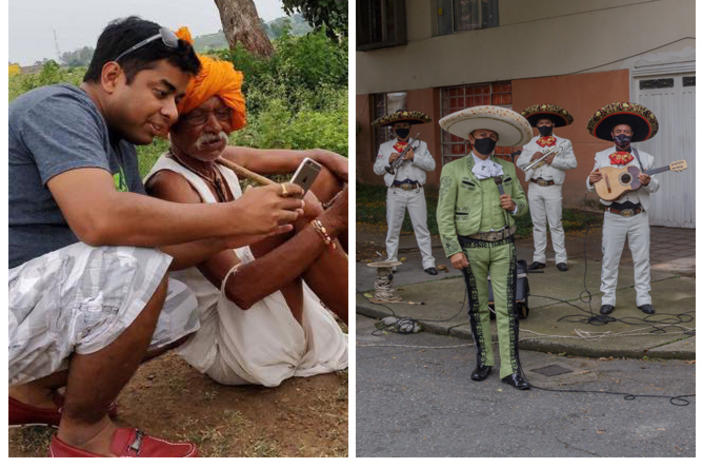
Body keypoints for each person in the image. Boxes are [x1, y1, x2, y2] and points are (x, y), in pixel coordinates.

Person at [8, 17, 304, 457]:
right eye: (161, 92)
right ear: (112, 76)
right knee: (135, 265)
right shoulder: (58, 109)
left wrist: (250, 227)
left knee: (176, 304)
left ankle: (29, 394)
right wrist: (231, 214)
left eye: (177, 99)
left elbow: (163, 251)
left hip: (26, 303)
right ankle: (85, 437)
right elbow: (99, 219)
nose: (170, 112)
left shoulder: (118, 143)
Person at [144, 28, 348, 387]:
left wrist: (340, 163)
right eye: (197, 117)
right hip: (234, 334)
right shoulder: (170, 184)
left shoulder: (219, 158)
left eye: (222, 114)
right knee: (300, 211)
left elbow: (311, 158)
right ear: (174, 121)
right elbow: (238, 289)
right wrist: (331, 220)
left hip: (256, 303)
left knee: (314, 190)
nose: (214, 129)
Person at [436, 105, 532, 390]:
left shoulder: (506, 168)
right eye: (481, 135)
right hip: (471, 246)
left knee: (507, 308)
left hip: (503, 244)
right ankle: (484, 360)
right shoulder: (453, 170)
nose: (486, 139)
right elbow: (444, 214)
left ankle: (511, 369)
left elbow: (523, 205)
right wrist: (453, 249)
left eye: (491, 136)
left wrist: (513, 206)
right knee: (478, 307)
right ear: (471, 138)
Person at [586, 102, 660, 316]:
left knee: (642, 258)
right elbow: (593, 182)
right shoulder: (601, 157)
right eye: (618, 131)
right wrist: (590, 180)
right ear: (612, 134)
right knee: (610, 258)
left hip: (638, 215)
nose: (622, 135)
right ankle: (608, 298)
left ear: (632, 135)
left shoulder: (645, 158)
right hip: (614, 215)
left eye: (626, 132)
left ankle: (644, 297)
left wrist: (647, 182)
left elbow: (655, 186)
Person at [372, 110, 438, 275]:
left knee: (421, 227)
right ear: (394, 128)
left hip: (416, 191)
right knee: (393, 229)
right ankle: (391, 261)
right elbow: (377, 169)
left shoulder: (421, 145)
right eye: (399, 126)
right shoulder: (385, 147)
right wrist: (388, 161)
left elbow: (432, 165)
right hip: (396, 191)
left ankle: (428, 262)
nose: (403, 129)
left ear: (410, 127)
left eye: (406, 126)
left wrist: (414, 157)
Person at [517, 104, 577, 272]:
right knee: (537, 224)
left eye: (547, 123)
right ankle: (539, 258)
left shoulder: (564, 143)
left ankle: (561, 258)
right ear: (537, 126)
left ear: (553, 125)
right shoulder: (530, 143)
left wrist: (554, 161)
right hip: (535, 186)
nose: (544, 126)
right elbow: (520, 163)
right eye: (541, 123)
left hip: (552, 187)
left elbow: (573, 163)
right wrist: (531, 159)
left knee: (555, 224)